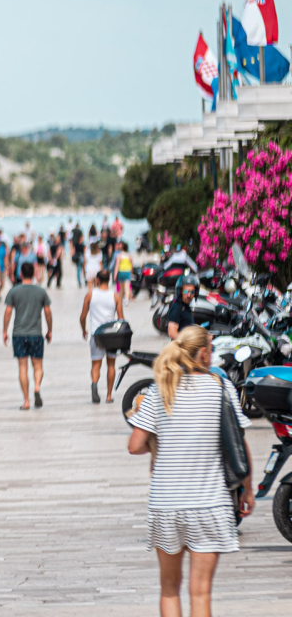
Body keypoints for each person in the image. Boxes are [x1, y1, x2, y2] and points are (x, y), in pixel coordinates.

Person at [127, 326, 254, 617]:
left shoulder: (160, 389)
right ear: (204, 353)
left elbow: (134, 446)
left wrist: (163, 443)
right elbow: (238, 443)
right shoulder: (221, 388)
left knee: (169, 589)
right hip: (210, 505)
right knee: (201, 592)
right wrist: (247, 490)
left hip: (166, 505)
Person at [3, 263, 53, 410]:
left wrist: (4, 331)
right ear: (33, 274)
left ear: (20, 274)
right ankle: (37, 387)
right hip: (36, 333)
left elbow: (8, 312)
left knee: (22, 367)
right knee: (38, 366)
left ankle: (26, 401)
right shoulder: (41, 292)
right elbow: (48, 312)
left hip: (19, 334)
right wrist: (50, 330)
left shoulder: (14, 291)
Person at [80, 269, 124, 404]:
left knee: (95, 365)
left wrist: (84, 330)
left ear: (97, 280)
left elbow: (82, 316)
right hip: (111, 335)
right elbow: (121, 318)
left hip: (96, 334)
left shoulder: (90, 295)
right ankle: (109, 396)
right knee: (111, 365)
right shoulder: (115, 296)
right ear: (109, 280)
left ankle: (94, 384)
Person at [166, 275, 198, 340]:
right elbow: (172, 332)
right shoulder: (177, 307)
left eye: (192, 292)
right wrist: (186, 343)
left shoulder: (185, 306)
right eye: (186, 291)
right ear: (180, 292)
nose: (189, 295)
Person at [70, 224, 87, 288]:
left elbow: (73, 251)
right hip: (81, 257)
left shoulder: (76, 244)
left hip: (77, 257)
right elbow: (85, 252)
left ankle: (79, 282)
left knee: (78, 270)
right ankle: (85, 281)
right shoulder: (83, 244)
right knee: (83, 270)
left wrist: (72, 257)